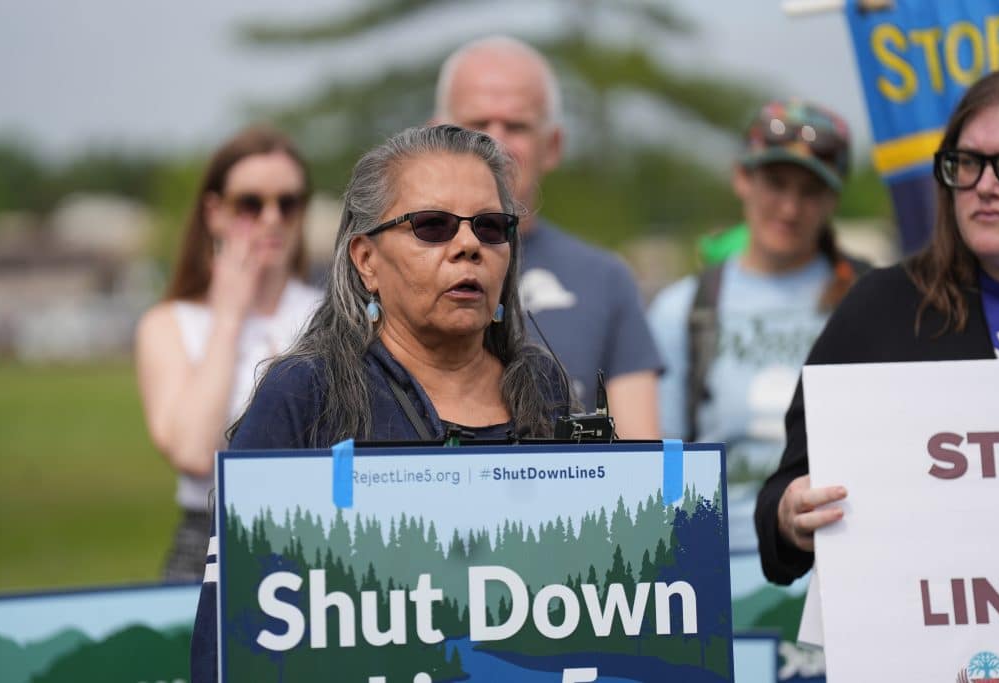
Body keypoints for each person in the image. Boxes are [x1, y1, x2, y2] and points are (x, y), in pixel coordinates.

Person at [190, 124, 573, 681]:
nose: (468, 246)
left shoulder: (542, 387)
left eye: (491, 228)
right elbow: (229, 644)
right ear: (366, 259)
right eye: (432, 226)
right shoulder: (305, 394)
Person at [755, 71, 999, 585]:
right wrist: (789, 514)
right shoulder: (881, 306)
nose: (984, 186)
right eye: (968, 163)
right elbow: (787, 490)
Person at [647, 100, 865, 551]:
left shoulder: (867, 299)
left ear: (833, 198)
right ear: (742, 178)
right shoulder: (683, 309)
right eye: (776, 183)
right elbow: (662, 467)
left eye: (810, 191)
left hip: (843, 557)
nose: (789, 207)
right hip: (723, 566)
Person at [433, 36, 663, 439]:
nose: (495, 142)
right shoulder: (389, 268)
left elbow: (641, 456)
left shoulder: (605, 280)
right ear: (435, 137)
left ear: (553, 145)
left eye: (517, 125)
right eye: (477, 124)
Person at [135, 126, 322, 582]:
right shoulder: (170, 324)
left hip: (318, 535)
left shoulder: (331, 312)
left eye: (289, 202)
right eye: (251, 204)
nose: (272, 218)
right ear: (214, 212)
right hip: (210, 537)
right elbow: (195, 452)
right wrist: (229, 319)